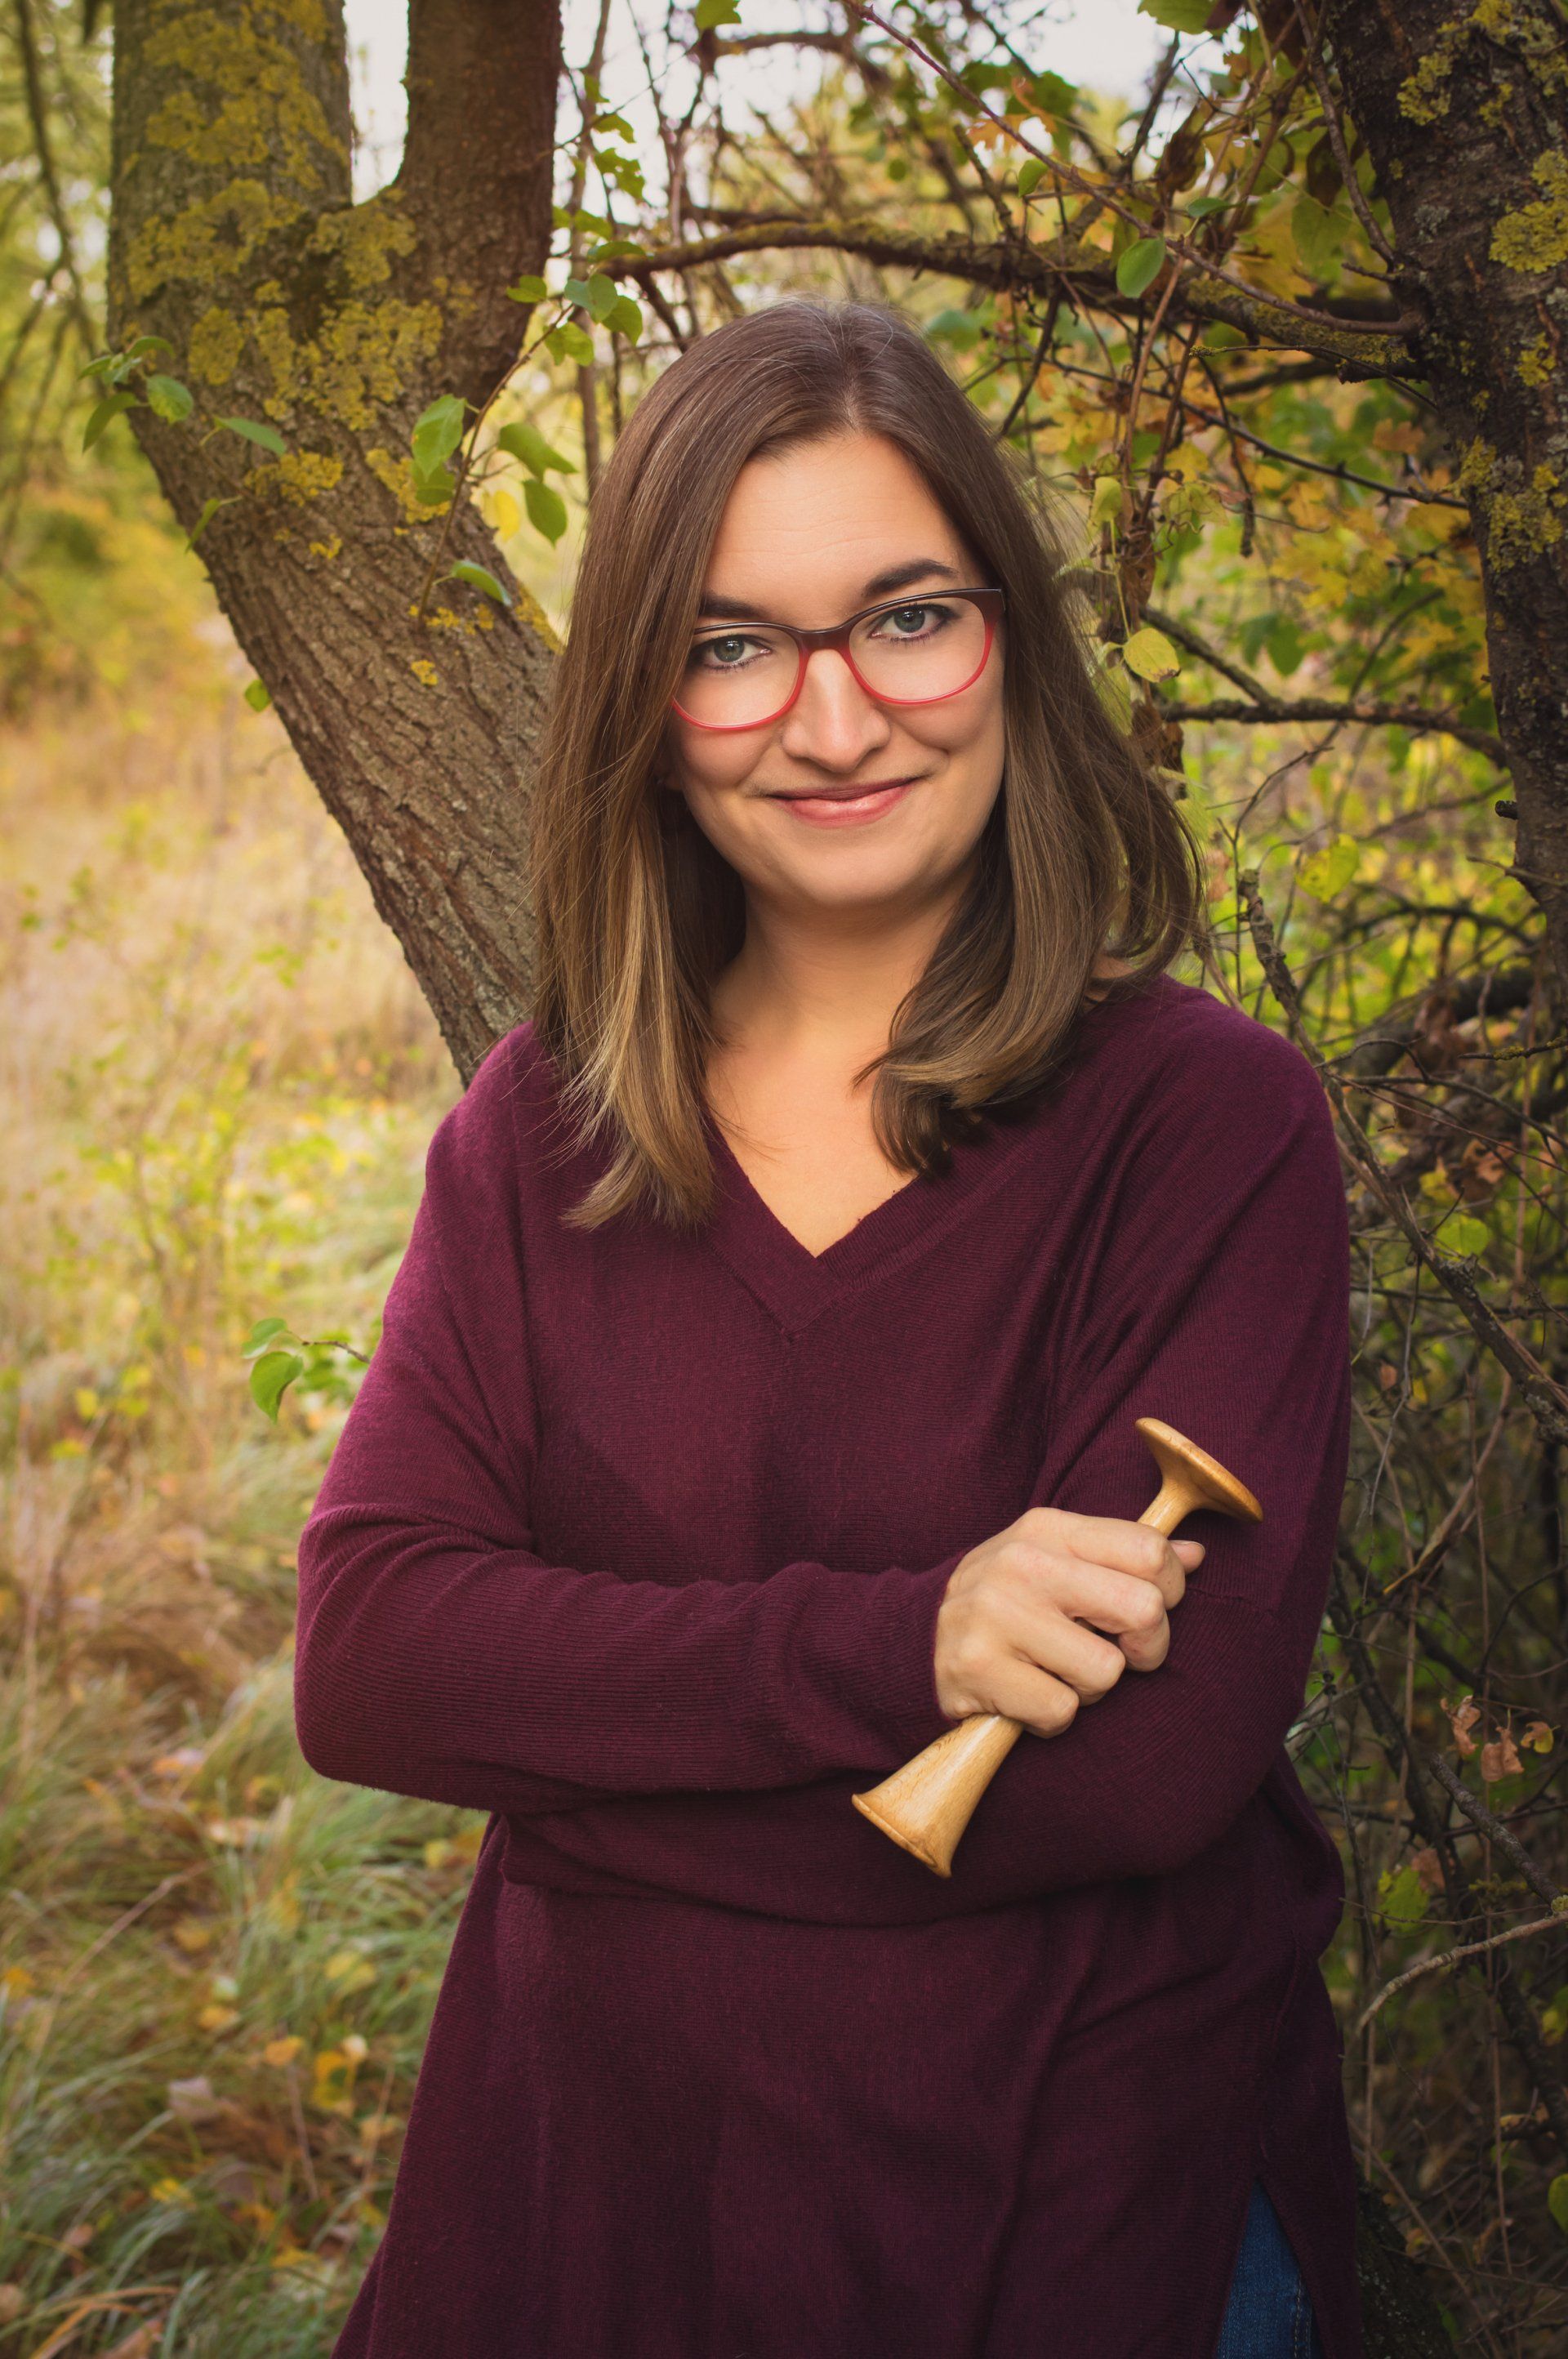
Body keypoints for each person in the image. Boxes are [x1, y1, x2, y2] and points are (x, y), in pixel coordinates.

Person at [295, 299, 1356, 2358]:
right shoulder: (543, 1130)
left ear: (1007, 641)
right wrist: (909, 1648)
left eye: (907, 619)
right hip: (587, 2195)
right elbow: (376, 1662)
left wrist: (588, 1782)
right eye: (733, 645)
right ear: (647, 698)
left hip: (1066, 2207)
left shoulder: (1206, 1125)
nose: (838, 719)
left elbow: (1141, 1777)